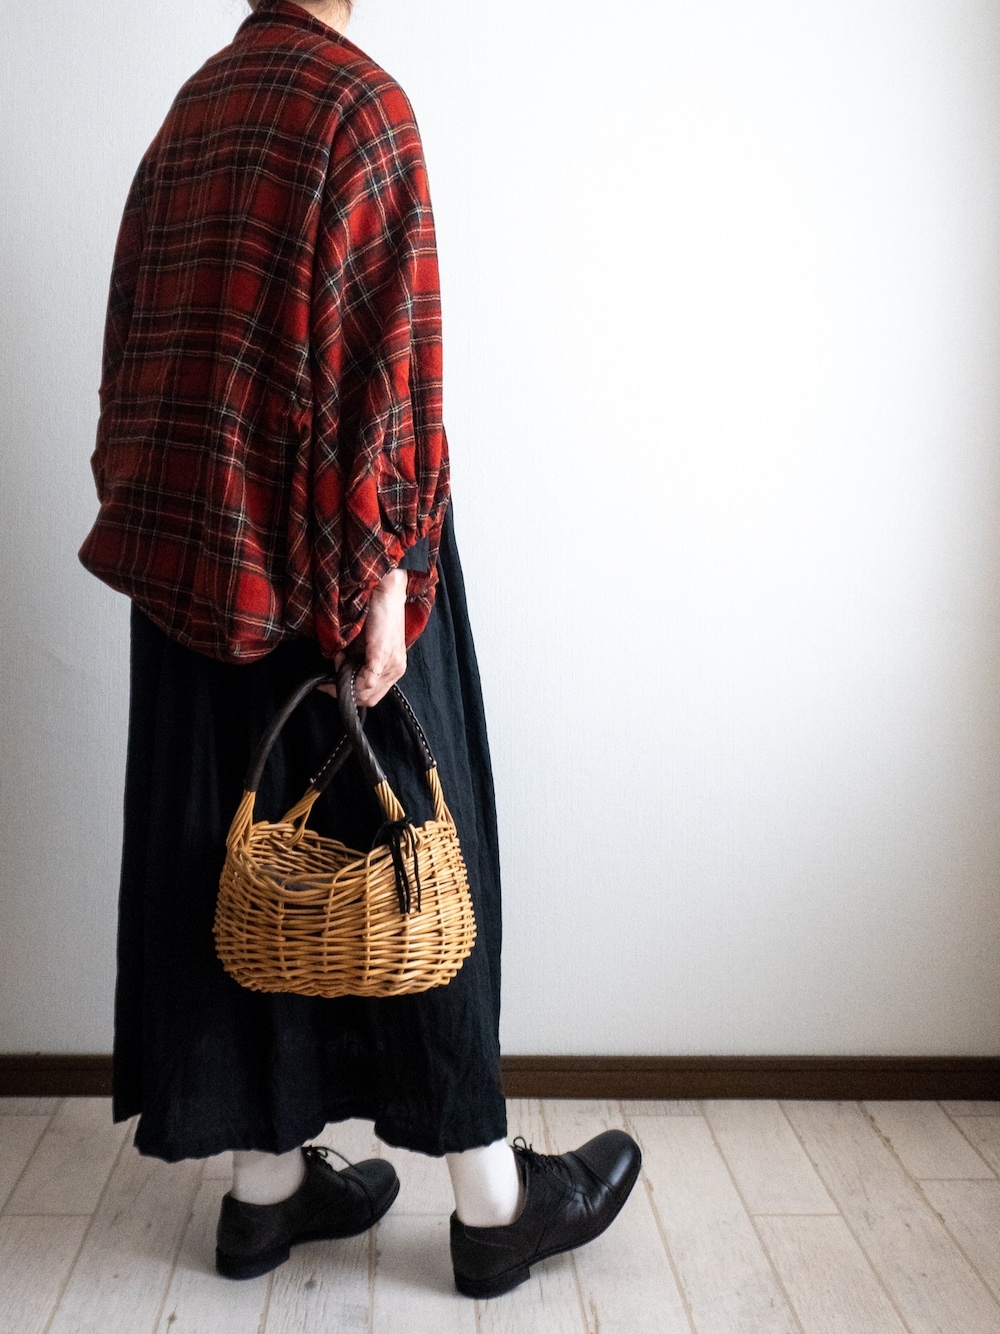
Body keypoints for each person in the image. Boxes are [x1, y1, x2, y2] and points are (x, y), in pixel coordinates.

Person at [79, 0, 640, 1298]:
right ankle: (495, 1206)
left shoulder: (191, 112)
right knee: (416, 862)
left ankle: (265, 1193)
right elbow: (393, 365)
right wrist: (390, 578)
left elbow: (131, 358)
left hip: (198, 572)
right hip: (331, 563)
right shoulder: (362, 106)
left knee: (241, 874)